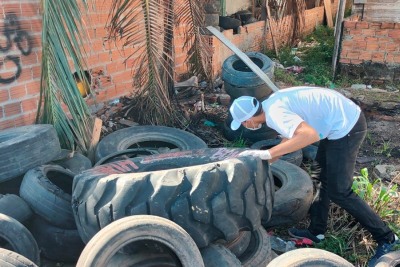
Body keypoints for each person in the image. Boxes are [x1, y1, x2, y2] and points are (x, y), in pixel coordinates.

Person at [229, 86, 398, 266]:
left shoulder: (275, 114)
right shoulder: (271, 104)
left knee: (340, 191)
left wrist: (269, 154)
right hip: (334, 122)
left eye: (243, 123)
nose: (245, 127)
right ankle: (316, 232)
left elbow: (309, 135)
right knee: (319, 177)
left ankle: (387, 238)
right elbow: (291, 134)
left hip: (347, 126)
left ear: (248, 119)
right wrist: (268, 159)